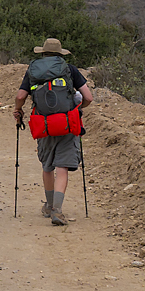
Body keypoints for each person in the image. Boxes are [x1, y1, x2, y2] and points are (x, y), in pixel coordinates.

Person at [13, 37, 94, 226]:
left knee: (47, 166)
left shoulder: (33, 69)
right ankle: (58, 210)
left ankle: (49, 206)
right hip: (67, 124)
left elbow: (20, 96)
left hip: (44, 124)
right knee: (62, 168)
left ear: (43, 52)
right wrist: (77, 108)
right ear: (60, 54)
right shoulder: (70, 69)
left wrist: (18, 110)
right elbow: (88, 97)